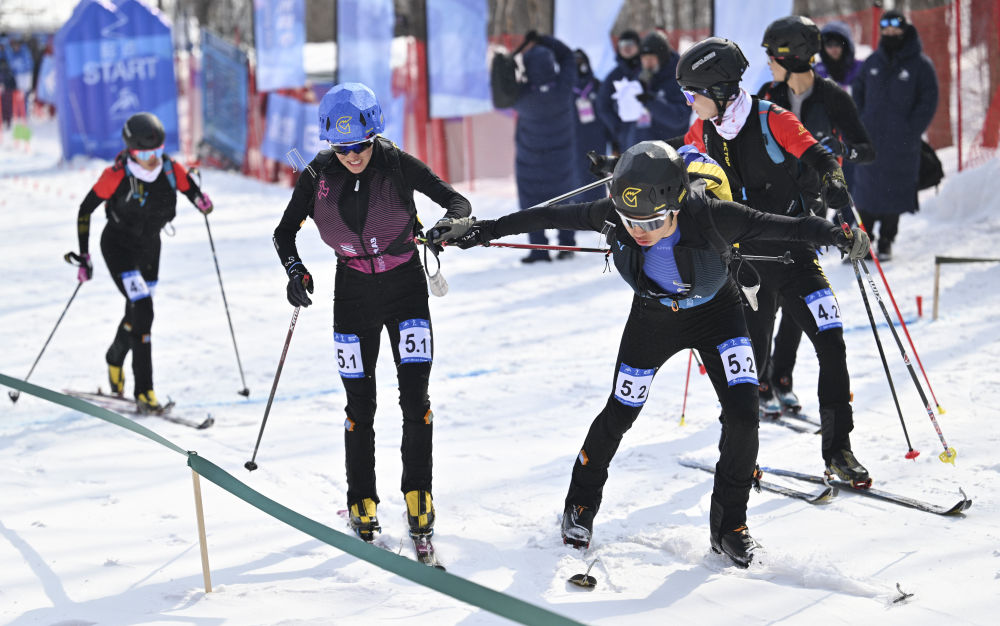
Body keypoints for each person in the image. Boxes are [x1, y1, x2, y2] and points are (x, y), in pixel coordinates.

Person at [433, 141, 868, 567]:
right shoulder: (617, 218)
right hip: (653, 320)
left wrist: (838, 233)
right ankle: (580, 505)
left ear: (677, 205)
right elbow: (544, 215)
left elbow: (789, 227)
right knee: (621, 412)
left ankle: (730, 527)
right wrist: (481, 230)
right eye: (628, 221)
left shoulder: (713, 216)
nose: (637, 232)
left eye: (651, 222)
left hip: (719, 315)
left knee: (743, 414)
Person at [272, 83, 472, 543]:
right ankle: (361, 498)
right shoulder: (318, 174)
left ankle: (418, 494)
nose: (353, 156)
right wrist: (295, 272)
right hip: (353, 296)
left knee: (414, 400)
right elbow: (284, 234)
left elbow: (457, 203)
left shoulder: (396, 163)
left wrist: (446, 227)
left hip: (405, 291)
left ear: (373, 134)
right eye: (342, 148)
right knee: (360, 406)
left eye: (360, 145)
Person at [674, 37, 872, 487]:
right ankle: (740, 457)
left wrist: (835, 183)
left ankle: (839, 451)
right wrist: (621, 164)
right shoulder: (703, 130)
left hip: (797, 255)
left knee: (832, 343)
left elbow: (821, 157)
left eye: (693, 94)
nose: (690, 102)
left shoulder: (770, 118)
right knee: (746, 372)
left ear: (720, 91)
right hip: (747, 269)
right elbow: (675, 154)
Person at [756, 15, 875, 415]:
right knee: (763, 297)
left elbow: (866, 148)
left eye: (773, 54)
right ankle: (759, 380)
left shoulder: (832, 97)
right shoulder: (767, 94)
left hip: (812, 208)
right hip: (768, 208)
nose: (769, 61)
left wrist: (836, 150)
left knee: (797, 298)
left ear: (794, 55)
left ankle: (782, 377)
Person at [74, 112, 214, 412]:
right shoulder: (116, 174)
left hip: (150, 248)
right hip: (118, 247)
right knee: (144, 308)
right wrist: (84, 257)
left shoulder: (168, 168)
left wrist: (202, 202)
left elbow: (191, 190)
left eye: (157, 151)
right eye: (144, 153)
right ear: (130, 151)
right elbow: (85, 210)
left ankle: (114, 357)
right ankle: (145, 391)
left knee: (136, 313)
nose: (152, 159)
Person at [851, 9, 938, 262]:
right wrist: (861, 120)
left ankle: (887, 240)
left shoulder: (921, 65)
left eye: (895, 29)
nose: (890, 34)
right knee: (865, 193)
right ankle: (864, 243)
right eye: (886, 29)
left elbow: (928, 100)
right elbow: (858, 91)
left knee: (893, 193)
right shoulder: (873, 63)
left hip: (902, 144)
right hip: (871, 140)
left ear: (904, 30)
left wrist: (910, 130)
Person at [511, 31, 579, 263]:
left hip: (530, 159)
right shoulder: (563, 89)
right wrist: (543, 40)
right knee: (564, 198)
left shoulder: (522, 96)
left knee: (531, 202)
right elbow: (568, 57)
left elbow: (503, 86)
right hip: (561, 158)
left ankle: (539, 248)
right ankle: (567, 244)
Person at [568, 48, 613, 260]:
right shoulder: (568, 86)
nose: (578, 65)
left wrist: (612, 138)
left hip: (595, 137)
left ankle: (598, 215)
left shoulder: (596, 85)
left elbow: (607, 109)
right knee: (575, 177)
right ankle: (578, 216)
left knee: (596, 176)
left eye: (580, 61)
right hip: (573, 139)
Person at [627, 31, 690, 147]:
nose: (647, 63)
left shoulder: (680, 78)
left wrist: (652, 101)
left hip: (669, 151)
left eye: (651, 58)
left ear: (662, 57)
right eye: (644, 58)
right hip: (640, 148)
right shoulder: (640, 76)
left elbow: (680, 118)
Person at [594, 29, 642, 153]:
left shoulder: (647, 70)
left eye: (630, 44)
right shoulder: (614, 76)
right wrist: (618, 128)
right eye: (622, 45)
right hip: (625, 137)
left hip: (651, 131)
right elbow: (602, 105)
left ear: (638, 46)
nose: (626, 48)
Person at [814, 21, 864, 91]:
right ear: (823, 47)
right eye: (829, 45)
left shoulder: (861, 68)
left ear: (846, 46)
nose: (834, 49)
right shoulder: (817, 71)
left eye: (837, 44)